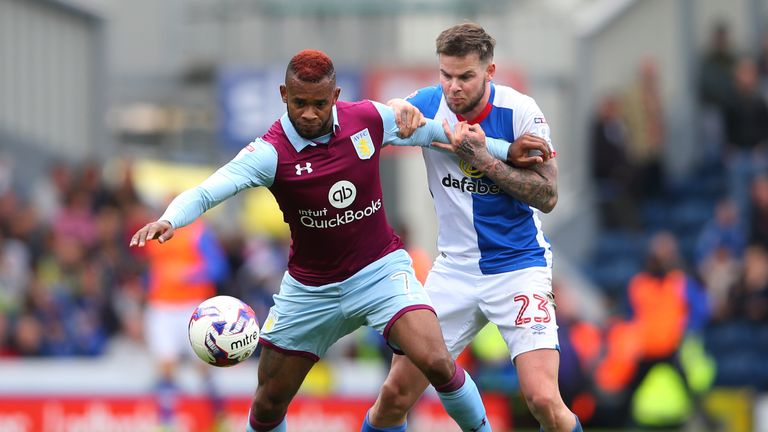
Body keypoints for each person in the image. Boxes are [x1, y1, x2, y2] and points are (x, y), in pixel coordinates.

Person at [130, 49, 533, 432]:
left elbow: (444, 135)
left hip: (380, 272)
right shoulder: (270, 152)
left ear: (336, 96)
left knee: (437, 361)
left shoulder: (369, 120)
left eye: (319, 104)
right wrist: (169, 219)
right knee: (268, 401)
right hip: (311, 290)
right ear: (284, 95)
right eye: (299, 102)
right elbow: (207, 190)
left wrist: (507, 150)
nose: (309, 113)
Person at [362, 23, 582, 432]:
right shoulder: (429, 104)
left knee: (543, 400)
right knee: (393, 396)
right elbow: (379, 120)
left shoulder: (521, 112)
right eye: (446, 75)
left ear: (490, 71)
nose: (454, 87)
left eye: (466, 76)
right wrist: (396, 106)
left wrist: (484, 159)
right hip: (454, 270)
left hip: (518, 268)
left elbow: (548, 196)